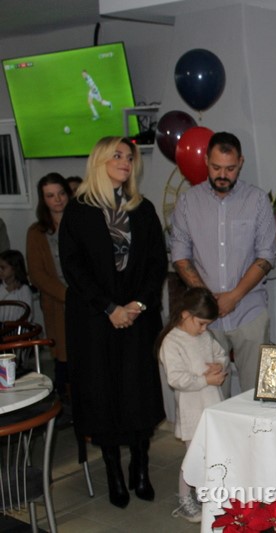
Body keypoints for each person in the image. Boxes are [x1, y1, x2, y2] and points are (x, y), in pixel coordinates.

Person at [60, 136, 167, 508]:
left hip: (138, 318)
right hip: (94, 321)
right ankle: (114, 474)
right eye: (117, 155)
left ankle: (140, 467)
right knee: (103, 396)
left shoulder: (143, 208)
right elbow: (73, 267)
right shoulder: (79, 211)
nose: (125, 161)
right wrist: (110, 308)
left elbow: (156, 262)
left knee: (138, 394)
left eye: (129, 157)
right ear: (99, 161)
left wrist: (137, 304)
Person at [170, 131, 276, 396]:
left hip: (250, 312)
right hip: (203, 318)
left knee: (260, 394)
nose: (222, 175)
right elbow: (180, 255)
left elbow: (266, 256)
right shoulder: (188, 202)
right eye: (216, 167)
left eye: (230, 169)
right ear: (206, 161)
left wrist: (234, 296)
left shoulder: (257, 200)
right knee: (211, 397)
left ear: (241, 162)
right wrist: (208, 299)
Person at [157, 287, 228, 523]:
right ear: (185, 314)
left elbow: (221, 354)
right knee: (193, 458)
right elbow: (176, 378)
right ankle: (184, 499)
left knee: (212, 454)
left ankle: (208, 495)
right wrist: (205, 380)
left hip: (212, 404)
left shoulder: (204, 336)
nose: (204, 329)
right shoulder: (172, 342)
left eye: (208, 325)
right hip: (191, 409)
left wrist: (219, 365)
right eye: (201, 323)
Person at [26, 173, 72, 401]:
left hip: (87, 299)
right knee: (63, 357)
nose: (58, 199)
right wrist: (67, 295)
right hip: (57, 303)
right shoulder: (37, 232)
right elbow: (37, 275)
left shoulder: (81, 224)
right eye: (51, 195)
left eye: (61, 193)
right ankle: (64, 403)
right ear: (43, 200)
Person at [0, 249, 34, 321]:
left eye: (3, 268)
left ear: (14, 268)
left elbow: (29, 314)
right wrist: (7, 290)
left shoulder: (24, 289)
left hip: (18, 326)